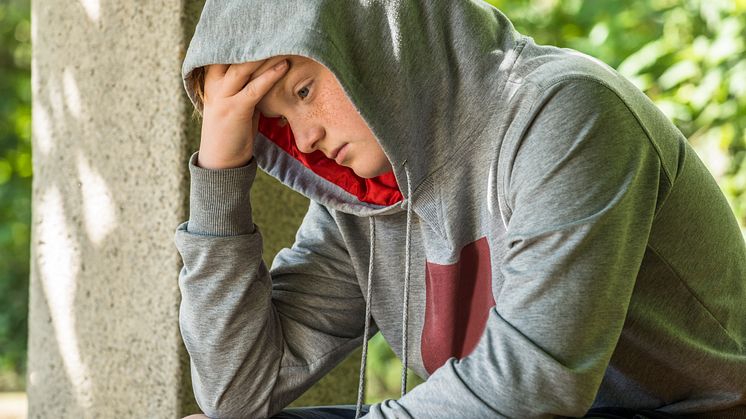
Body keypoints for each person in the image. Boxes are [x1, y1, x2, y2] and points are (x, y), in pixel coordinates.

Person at [173, 1, 746, 418]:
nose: (308, 136)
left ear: (375, 36)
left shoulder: (569, 115)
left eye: (302, 92)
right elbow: (236, 392)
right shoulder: (364, 200)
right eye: (277, 122)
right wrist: (220, 177)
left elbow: (530, 389)